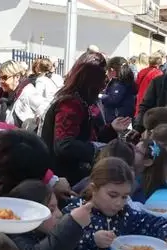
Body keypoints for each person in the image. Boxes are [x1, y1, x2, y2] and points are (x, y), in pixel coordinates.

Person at [40, 51, 130, 186]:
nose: (105, 83)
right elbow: (64, 145)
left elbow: (86, 136)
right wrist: (97, 150)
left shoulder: (80, 101)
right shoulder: (70, 104)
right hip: (64, 179)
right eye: (102, 77)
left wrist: (111, 128)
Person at [63, 157, 167, 250]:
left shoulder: (123, 213)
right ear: (94, 189)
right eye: (113, 195)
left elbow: (149, 222)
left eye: (124, 197)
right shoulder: (74, 213)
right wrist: (92, 240)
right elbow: (61, 249)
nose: (119, 203)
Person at [0, 60, 49, 127]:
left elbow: (45, 107)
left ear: (17, 77)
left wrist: (32, 124)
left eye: (4, 77)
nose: (1, 81)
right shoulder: (2, 94)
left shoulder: (27, 91)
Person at [100, 56, 136, 123]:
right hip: (124, 117)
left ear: (112, 70)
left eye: (107, 70)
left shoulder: (118, 84)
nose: (106, 73)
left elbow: (113, 99)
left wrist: (101, 97)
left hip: (117, 118)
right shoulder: (127, 80)